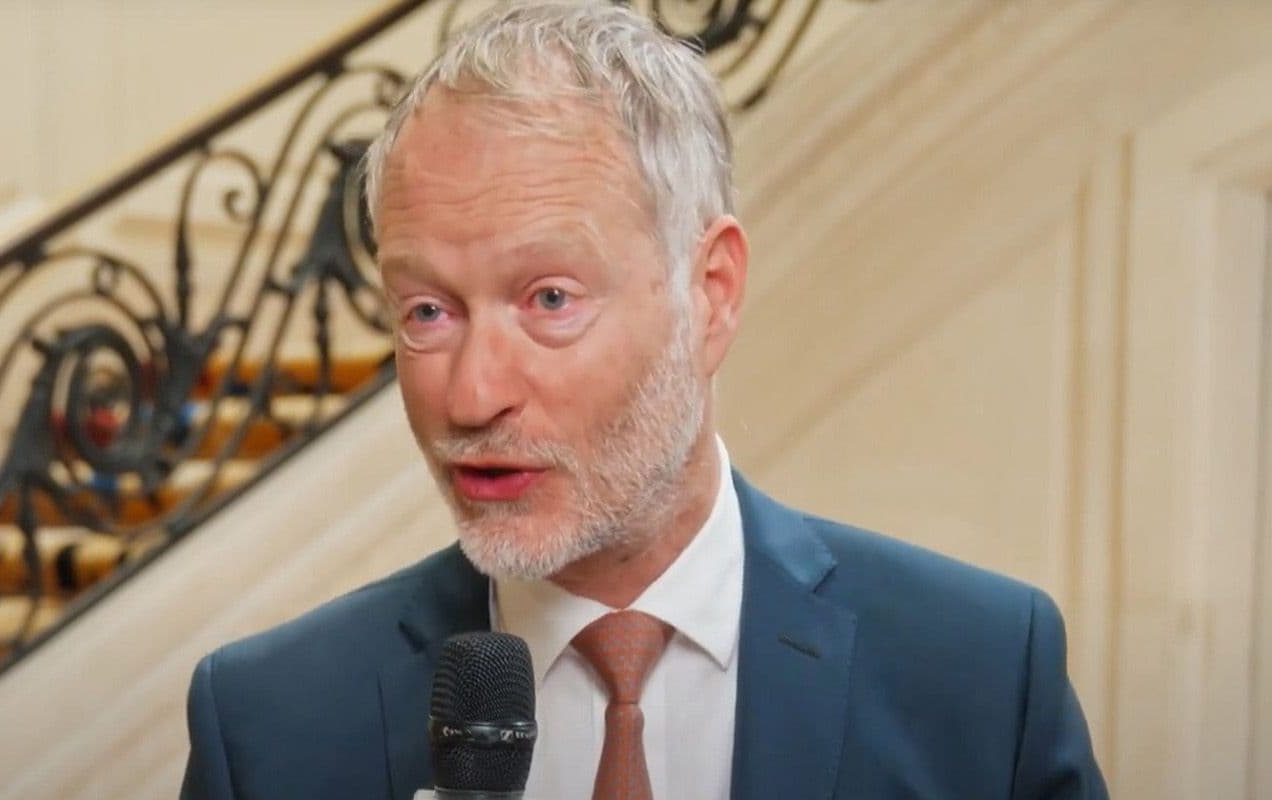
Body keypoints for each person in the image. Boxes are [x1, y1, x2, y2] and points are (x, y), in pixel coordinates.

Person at [180, 1, 1108, 798]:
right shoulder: (270, 727)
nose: (471, 394)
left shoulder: (981, 676)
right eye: (427, 311)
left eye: (550, 299)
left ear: (711, 293)